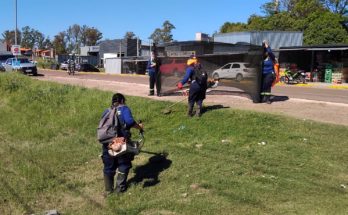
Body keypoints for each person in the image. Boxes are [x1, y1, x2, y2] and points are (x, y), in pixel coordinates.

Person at [100, 93, 144, 195]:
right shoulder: (124, 108)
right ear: (122, 101)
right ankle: (119, 190)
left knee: (108, 166)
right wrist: (139, 127)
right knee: (124, 164)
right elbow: (129, 121)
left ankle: (108, 190)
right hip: (121, 143)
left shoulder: (107, 111)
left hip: (108, 143)